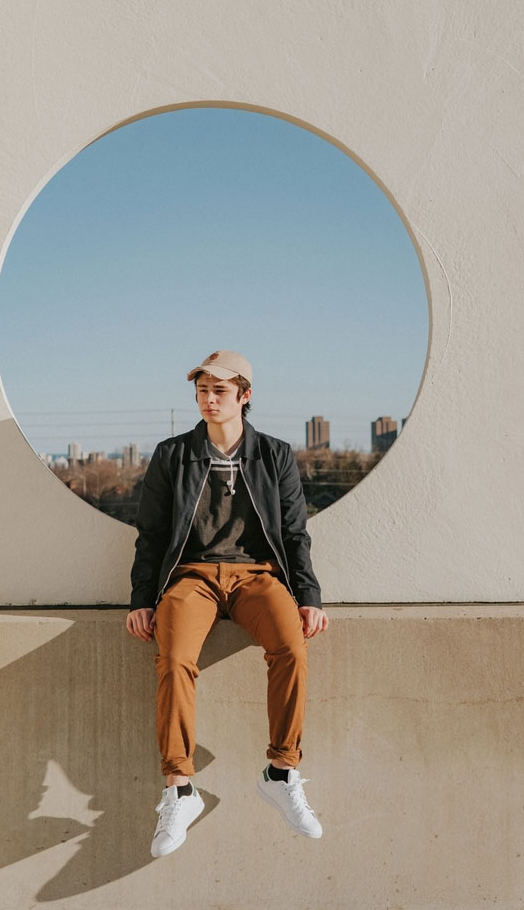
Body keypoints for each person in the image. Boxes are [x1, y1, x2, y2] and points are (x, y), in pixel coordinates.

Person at [126, 350, 329, 858]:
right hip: (191, 578)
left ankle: (281, 773)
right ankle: (180, 788)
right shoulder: (172, 455)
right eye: (201, 391)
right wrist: (141, 600)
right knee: (173, 660)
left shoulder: (275, 455)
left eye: (219, 391)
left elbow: (295, 533)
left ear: (245, 396)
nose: (208, 400)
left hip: (258, 577)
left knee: (291, 648)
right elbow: (150, 535)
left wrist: (307, 596)